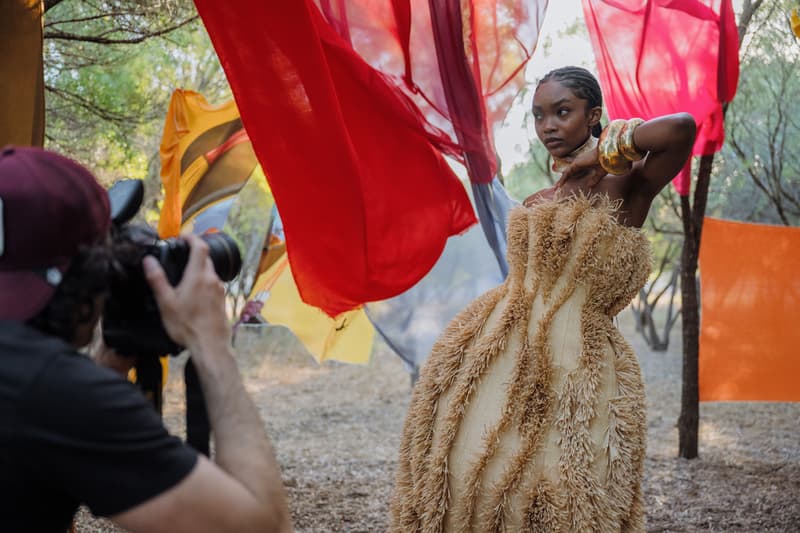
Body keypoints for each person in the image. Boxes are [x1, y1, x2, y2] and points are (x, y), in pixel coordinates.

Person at [389, 66, 696, 532]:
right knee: (475, 470)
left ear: (593, 116)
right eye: (538, 115)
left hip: (578, 362)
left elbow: (680, 129)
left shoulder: (625, 183)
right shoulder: (537, 201)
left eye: (562, 111)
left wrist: (601, 156)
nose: (548, 125)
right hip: (499, 353)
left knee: (569, 486)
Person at [0, 146, 292, 532]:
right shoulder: (49, 390)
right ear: (84, 277)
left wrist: (115, 353)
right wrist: (211, 344)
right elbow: (263, 527)